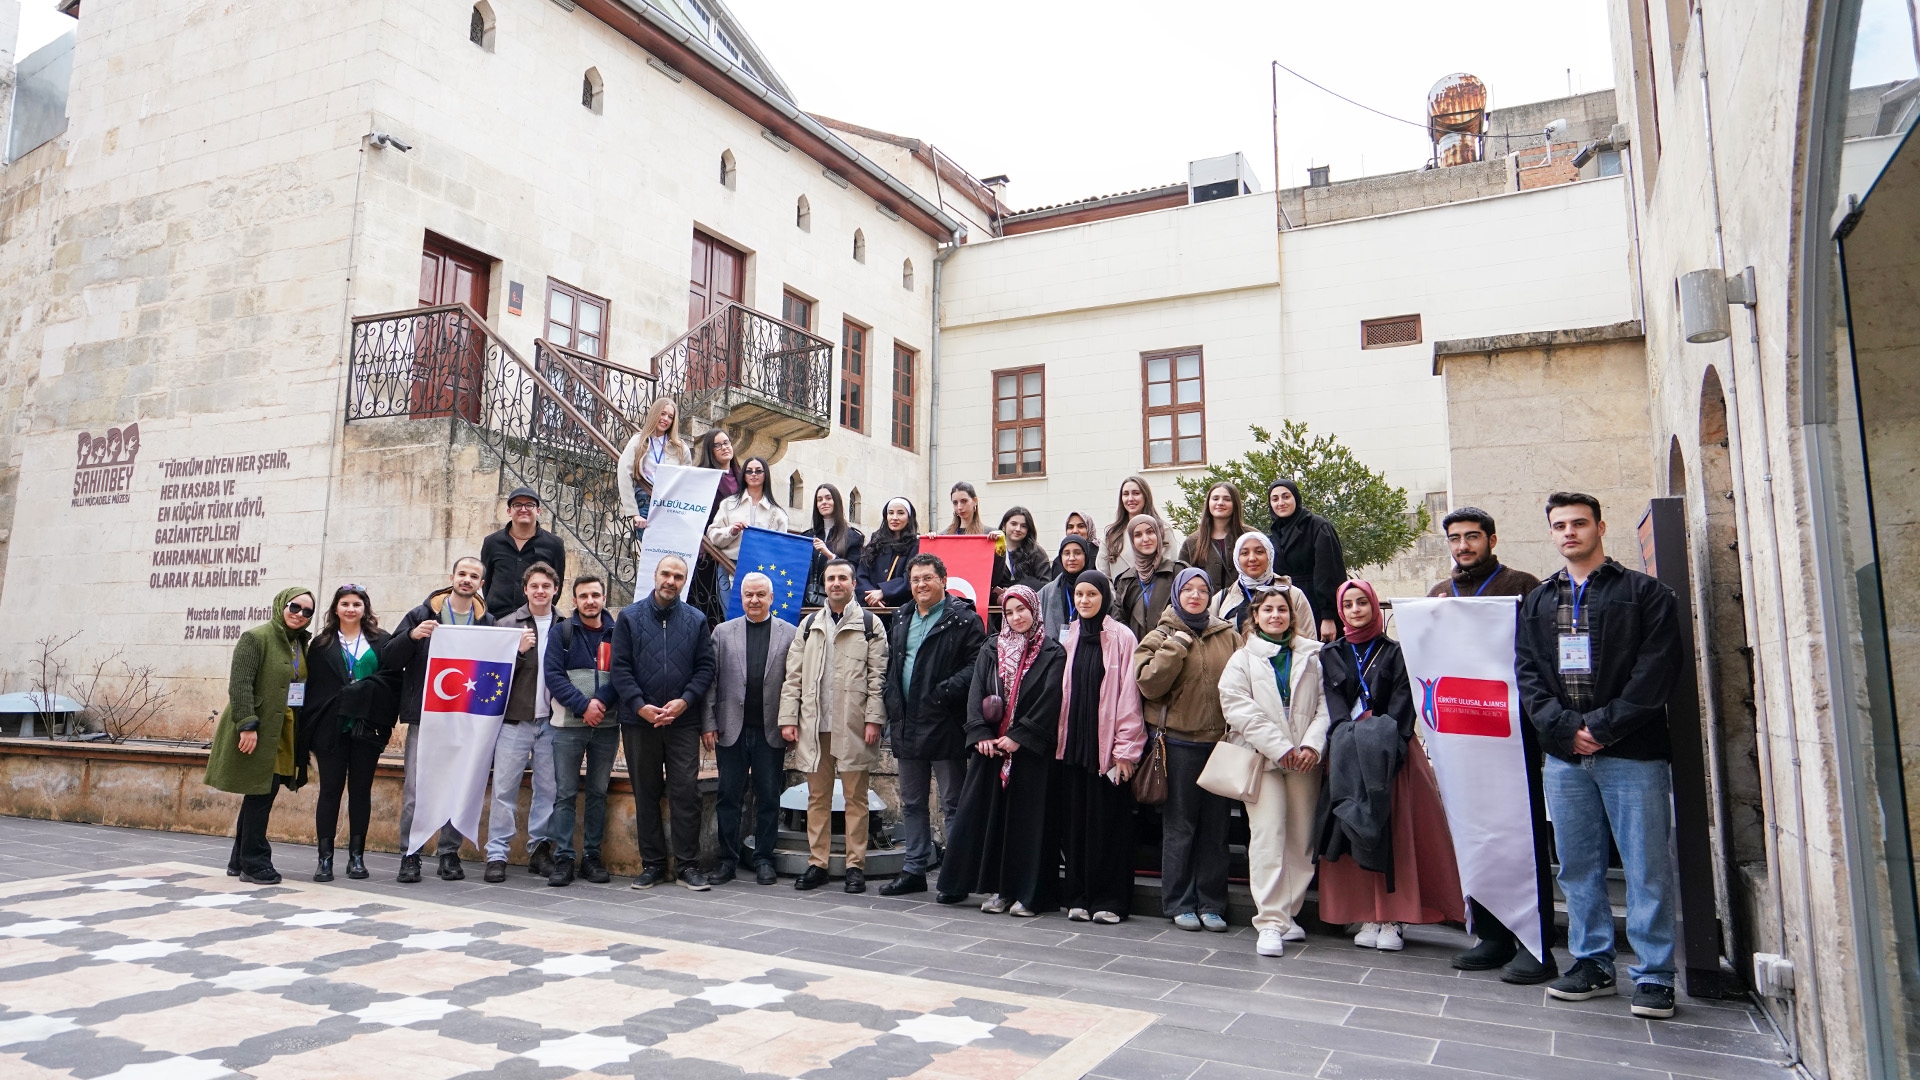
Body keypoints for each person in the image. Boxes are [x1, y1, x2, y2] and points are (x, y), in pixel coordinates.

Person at [1516, 492, 1682, 1020]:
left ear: (1600, 527)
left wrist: (1601, 728)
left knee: (1645, 866)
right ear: (1551, 533)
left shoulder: (1645, 593)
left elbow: (1656, 673)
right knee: (1577, 868)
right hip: (1565, 759)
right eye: (1560, 525)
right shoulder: (1539, 600)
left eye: (1579, 523)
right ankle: (1593, 964)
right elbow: (1528, 676)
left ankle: (1654, 974)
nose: (1569, 532)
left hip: (1632, 754)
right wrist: (1567, 730)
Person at [1428, 507, 1557, 985]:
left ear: (1492, 539)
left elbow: (1543, 651)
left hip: (1513, 733)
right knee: (1475, 833)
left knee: (1519, 836)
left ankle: (1535, 942)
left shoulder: (1524, 586)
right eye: (1456, 538)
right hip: (1461, 736)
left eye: (1472, 537)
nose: (1463, 545)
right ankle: (1493, 936)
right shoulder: (1442, 594)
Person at [1316, 579, 1466, 952]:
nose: (1355, 610)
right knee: (1357, 829)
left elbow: (1404, 701)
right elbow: (1332, 704)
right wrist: (1347, 737)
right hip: (1349, 756)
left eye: (1361, 603)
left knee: (1395, 833)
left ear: (1373, 606)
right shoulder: (1330, 653)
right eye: (1347, 604)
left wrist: (1383, 740)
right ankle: (1367, 912)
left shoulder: (1397, 652)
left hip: (1391, 757)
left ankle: (1393, 918)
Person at [936, 586, 1066, 914]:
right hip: (992, 749)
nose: (1016, 617)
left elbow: (1052, 699)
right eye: (1009, 612)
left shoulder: (1053, 651)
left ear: (1034, 609)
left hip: (1031, 753)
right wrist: (980, 732)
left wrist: (1021, 736)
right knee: (990, 822)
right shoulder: (992, 647)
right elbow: (976, 689)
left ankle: (1029, 894)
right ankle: (998, 890)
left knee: (1028, 826)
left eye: (1022, 609)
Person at [1219, 584, 1329, 957]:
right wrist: (1280, 748)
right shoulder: (1242, 659)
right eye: (1268, 610)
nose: (1276, 616)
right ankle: (1268, 921)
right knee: (1267, 836)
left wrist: (1312, 744)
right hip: (1263, 760)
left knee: (1301, 840)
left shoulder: (1314, 656)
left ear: (1291, 615)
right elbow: (1238, 709)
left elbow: (1326, 706)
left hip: (1304, 761)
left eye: (1282, 609)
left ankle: (1289, 915)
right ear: (1256, 616)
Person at [1135, 566, 1239, 931]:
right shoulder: (1159, 635)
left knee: (1216, 829)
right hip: (1178, 744)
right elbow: (1148, 685)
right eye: (1188, 589)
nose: (1195, 595)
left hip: (1219, 746)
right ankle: (1179, 902)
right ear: (1176, 593)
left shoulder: (1228, 634)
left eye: (1202, 589)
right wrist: (1175, 648)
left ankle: (1212, 903)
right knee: (1180, 828)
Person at [879, 553, 988, 896]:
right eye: (915, 579)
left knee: (952, 803)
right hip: (907, 723)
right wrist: (891, 698)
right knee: (912, 803)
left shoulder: (964, 619)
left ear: (944, 579)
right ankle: (914, 868)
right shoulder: (901, 616)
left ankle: (956, 877)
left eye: (927, 578)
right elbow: (893, 665)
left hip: (945, 723)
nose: (921, 584)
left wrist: (943, 693)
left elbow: (977, 666)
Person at [780, 558, 890, 893]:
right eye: (831, 578)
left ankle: (856, 865)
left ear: (853, 583)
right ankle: (818, 863)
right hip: (815, 724)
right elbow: (793, 676)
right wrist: (788, 718)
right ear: (824, 584)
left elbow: (878, 678)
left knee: (856, 798)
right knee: (818, 797)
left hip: (854, 724)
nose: (836, 583)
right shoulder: (809, 624)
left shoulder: (870, 624)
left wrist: (874, 718)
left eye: (843, 577)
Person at [381, 557, 493, 883]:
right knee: (416, 789)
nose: (467, 580)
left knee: (457, 787)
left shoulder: (487, 623)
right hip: (425, 717)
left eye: (474, 576)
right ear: (451, 577)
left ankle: (448, 853)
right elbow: (389, 658)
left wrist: (518, 650)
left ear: (481, 583)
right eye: (463, 574)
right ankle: (410, 854)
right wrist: (412, 636)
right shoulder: (421, 615)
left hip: (466, 720)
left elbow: (494, 667)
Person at [611, 554, 717, 890]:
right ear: (655, 576)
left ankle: (688, 865)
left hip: (683, 722)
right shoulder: (629, 617)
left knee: (686, 792)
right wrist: (640, 706)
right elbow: (620, 669)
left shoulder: (697, 620)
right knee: (646, 792)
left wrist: (685, 702)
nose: (671, 581)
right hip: (639, 721)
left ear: (684, 582)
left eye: (678, 576)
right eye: (666, 574)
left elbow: (705, 668)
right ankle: (653, 864)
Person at [205, 587, 315, 885]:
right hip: (260, 727)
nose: (299, 614)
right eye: (295, 607)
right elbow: (240, 684)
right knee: (261, 792)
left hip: (285, 728)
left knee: (261, 791)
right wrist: (247, 725)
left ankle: (238, 858)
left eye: (307, 611)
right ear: (281, 604)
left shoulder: (300, 644)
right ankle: (254, 862)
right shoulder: (256, 638)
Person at [1053, 570, 1144, 924]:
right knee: (1074, 826)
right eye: (1079, 595)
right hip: (1072, 747)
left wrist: (1126, 751)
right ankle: (1077, 896)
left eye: (1092, 594)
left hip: (1107, 751)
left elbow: (1129, 698)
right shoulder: (1069, 635)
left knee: (1107, 827)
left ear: (1105, 597)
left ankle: (1109, 900)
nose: (1085, 601)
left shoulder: (1122, 637)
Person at [705, 573, 797, 886]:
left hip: (770, 731)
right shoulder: (722, 632)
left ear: (771, 598)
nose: (754, 600)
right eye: (748, 595)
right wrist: (708, 723)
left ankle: (763, 858)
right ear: (740, 598)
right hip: (730, 730)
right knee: (728, 797)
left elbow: (794, 683)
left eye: (760, 595)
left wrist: (792, 722)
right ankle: (727, 860)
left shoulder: (790, 634)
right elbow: (710, 682)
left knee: (769, 797)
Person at [299, 584, 395, 882]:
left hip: (367, 728)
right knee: (329, 791)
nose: (351, 609)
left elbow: (392, 682)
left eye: (356, 604)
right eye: (345, 604)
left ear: (365, 608)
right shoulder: (322, 643)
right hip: (331, 729)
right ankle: (324, 859)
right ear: (336, 608)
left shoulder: (382, 642)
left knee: (360, 792)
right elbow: (312, 688)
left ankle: (356, 858)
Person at [483, 562, 561, 884]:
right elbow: (490, 678)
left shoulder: (565, 626)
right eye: (534, 586)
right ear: (526, 589)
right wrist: (516, 652)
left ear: (555, 589)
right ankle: (497, 854)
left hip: (552, 723)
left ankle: (539, 851)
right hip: (514, 723)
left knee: (548, 790)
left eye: (546, 586)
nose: (540, 591)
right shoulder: (507, 625)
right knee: (504, 790)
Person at [543, 574, 620, 887]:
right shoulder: (561, 632)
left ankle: (591, 856)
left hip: (607, 726)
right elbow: (554, 676)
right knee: (564, 794)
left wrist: (600, 701)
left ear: (604, 599)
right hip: (568, 727)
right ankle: (563, 857)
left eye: (596, 595)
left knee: (598, 792)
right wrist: (583, 706)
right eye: (584, 595)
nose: (590, 601)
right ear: (574, 601)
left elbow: (624, 672)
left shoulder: (618, 634)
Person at [1267, 478, 1349, 643]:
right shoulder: (1274, 533)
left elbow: (1330, 573)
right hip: (1286, 607)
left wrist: (1329, 616)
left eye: (1286, 497)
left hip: (1315, 606)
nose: (1280, 503)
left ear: (1296, 498)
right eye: (1275, 499)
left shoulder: (1318, 527)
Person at [479, 487, 568, 617]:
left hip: (534, 618)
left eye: (529, 505)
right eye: (517, 505)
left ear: (538, 511)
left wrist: (541, 609)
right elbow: (485, 581)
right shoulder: (491, 542)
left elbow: (557, 583)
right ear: (509, 511)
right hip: (497, 617)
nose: (523, 509)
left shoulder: (554, 544)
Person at [706, 457, 789, 595]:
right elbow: (713, 535)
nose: (754, 474)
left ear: (765, 475)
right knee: (730, 615)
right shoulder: (728, 504)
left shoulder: (778, 513)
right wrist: (732, 531)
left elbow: (782, 548)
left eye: (758, 471)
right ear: (743, 475)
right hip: (729, 566)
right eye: (749, 471)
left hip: (763, 570)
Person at [690, 428, 745, 620]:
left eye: (727, 443)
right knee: (706, 605)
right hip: (710, 548)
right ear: (710, 450)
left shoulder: (743, 476)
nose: (724, 448)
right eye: (718, 445)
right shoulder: (702, 476)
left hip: (737, 548)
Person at [617, 396, 690, 540]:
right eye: (662, 413)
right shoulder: (638, 441)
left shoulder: (680, 447)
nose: (665, 419)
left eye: (670, 416)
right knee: (649, 549)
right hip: (645, 500)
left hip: (669, 504)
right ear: (654, 413)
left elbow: (687, 479)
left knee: (666, 551)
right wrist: (633, 512)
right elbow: (624, 473)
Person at [1113, 515, 1187, 640]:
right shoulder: (1126, 580)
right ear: (1132, 540)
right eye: (1138, 535)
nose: (1145, 539)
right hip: (1138, 652)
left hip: (1172, 650)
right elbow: (1118, 620)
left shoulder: (1178, 572)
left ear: (1158, 535)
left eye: (1150, 532)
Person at [1098, 476, 1184, 578]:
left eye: (1136, 493)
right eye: (1126, 494)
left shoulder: (1163, 530)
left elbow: (1169, 570)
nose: (1130, 499)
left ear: (1145, 496)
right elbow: (1103, 574)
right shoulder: (1110, 534)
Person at [1179, 481, 1255, 592]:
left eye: (1227, 499)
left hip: (1244, 604)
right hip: (1206, 607)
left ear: (1235, 504)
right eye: (1215, 498)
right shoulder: (1192, 542)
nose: (1220, 503)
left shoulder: (1251, 537)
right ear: (1208, 503)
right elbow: (1182, 580)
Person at [1212, 533, 1285, 633]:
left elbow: (1307, 642)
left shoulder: (1291, 594)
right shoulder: (1222, 598)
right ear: (1237, 558)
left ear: (1270, 555)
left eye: (1259, 552)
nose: (1252, 558)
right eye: (1245, 553)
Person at [805, 484, 865, 605]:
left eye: (828, 498)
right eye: (819, 499)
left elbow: (853, 571)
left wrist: (829, 555)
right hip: (808, 602)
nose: (824, 502)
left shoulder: (853, 537)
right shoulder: (808, 536)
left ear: (836, 502)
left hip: (839, 602)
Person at [859, 497, 920, 610]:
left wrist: (884, 592)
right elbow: (861, 574)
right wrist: (871, 597)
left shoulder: (915, 544)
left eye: (900, 513)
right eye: (890, 513)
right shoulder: (875, 542)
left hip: (901, 608)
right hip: (872, 607)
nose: (894, 518)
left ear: (909, 518)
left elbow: (910, 577)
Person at [1040, 536, 1097, 643]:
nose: (1071, 558)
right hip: (1055, 654)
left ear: (1086, 556)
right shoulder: (1046, 592)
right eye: (1066, 553)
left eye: (1077, 553)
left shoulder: (1098, 588)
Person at [992, 506, 1053, 597]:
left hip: (1028, 607)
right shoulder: (992, 551)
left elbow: (1046, 586)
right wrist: (996, 598)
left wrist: (1017, 592)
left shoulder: (1037, 553)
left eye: (1023, 526)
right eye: (1013, 524)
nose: (1018, 529)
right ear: (1004, 526)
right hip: (996, 609)